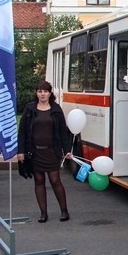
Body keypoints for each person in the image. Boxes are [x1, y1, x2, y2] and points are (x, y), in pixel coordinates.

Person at [16, 81, 74, 223]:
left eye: (45, 91)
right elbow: (22, 130)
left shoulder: (56, 109)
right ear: (36, 93)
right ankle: (43, 213)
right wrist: (21, 151)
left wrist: (67, 150)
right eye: (40, 91)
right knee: (39, 180)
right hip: (35, 152)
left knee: (55, 180)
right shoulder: (30, 109)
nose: (42, 94)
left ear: (50, 93)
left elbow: (63, 131)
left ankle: (64, 211)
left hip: (52, 151)